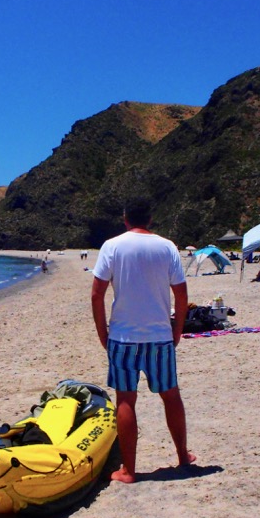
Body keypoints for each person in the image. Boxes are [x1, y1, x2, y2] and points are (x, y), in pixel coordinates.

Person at [90, 196, 194, 483]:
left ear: (125, 219)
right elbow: (182, 295)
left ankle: (129, 470)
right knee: (170, 396)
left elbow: (97, 294)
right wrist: (177, 329)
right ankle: (183, 456)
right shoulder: (167, 247)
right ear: (149, 219)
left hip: (123, 337)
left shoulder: (112, 246)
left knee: (126, 400)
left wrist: (103, 333)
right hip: (159, 336)